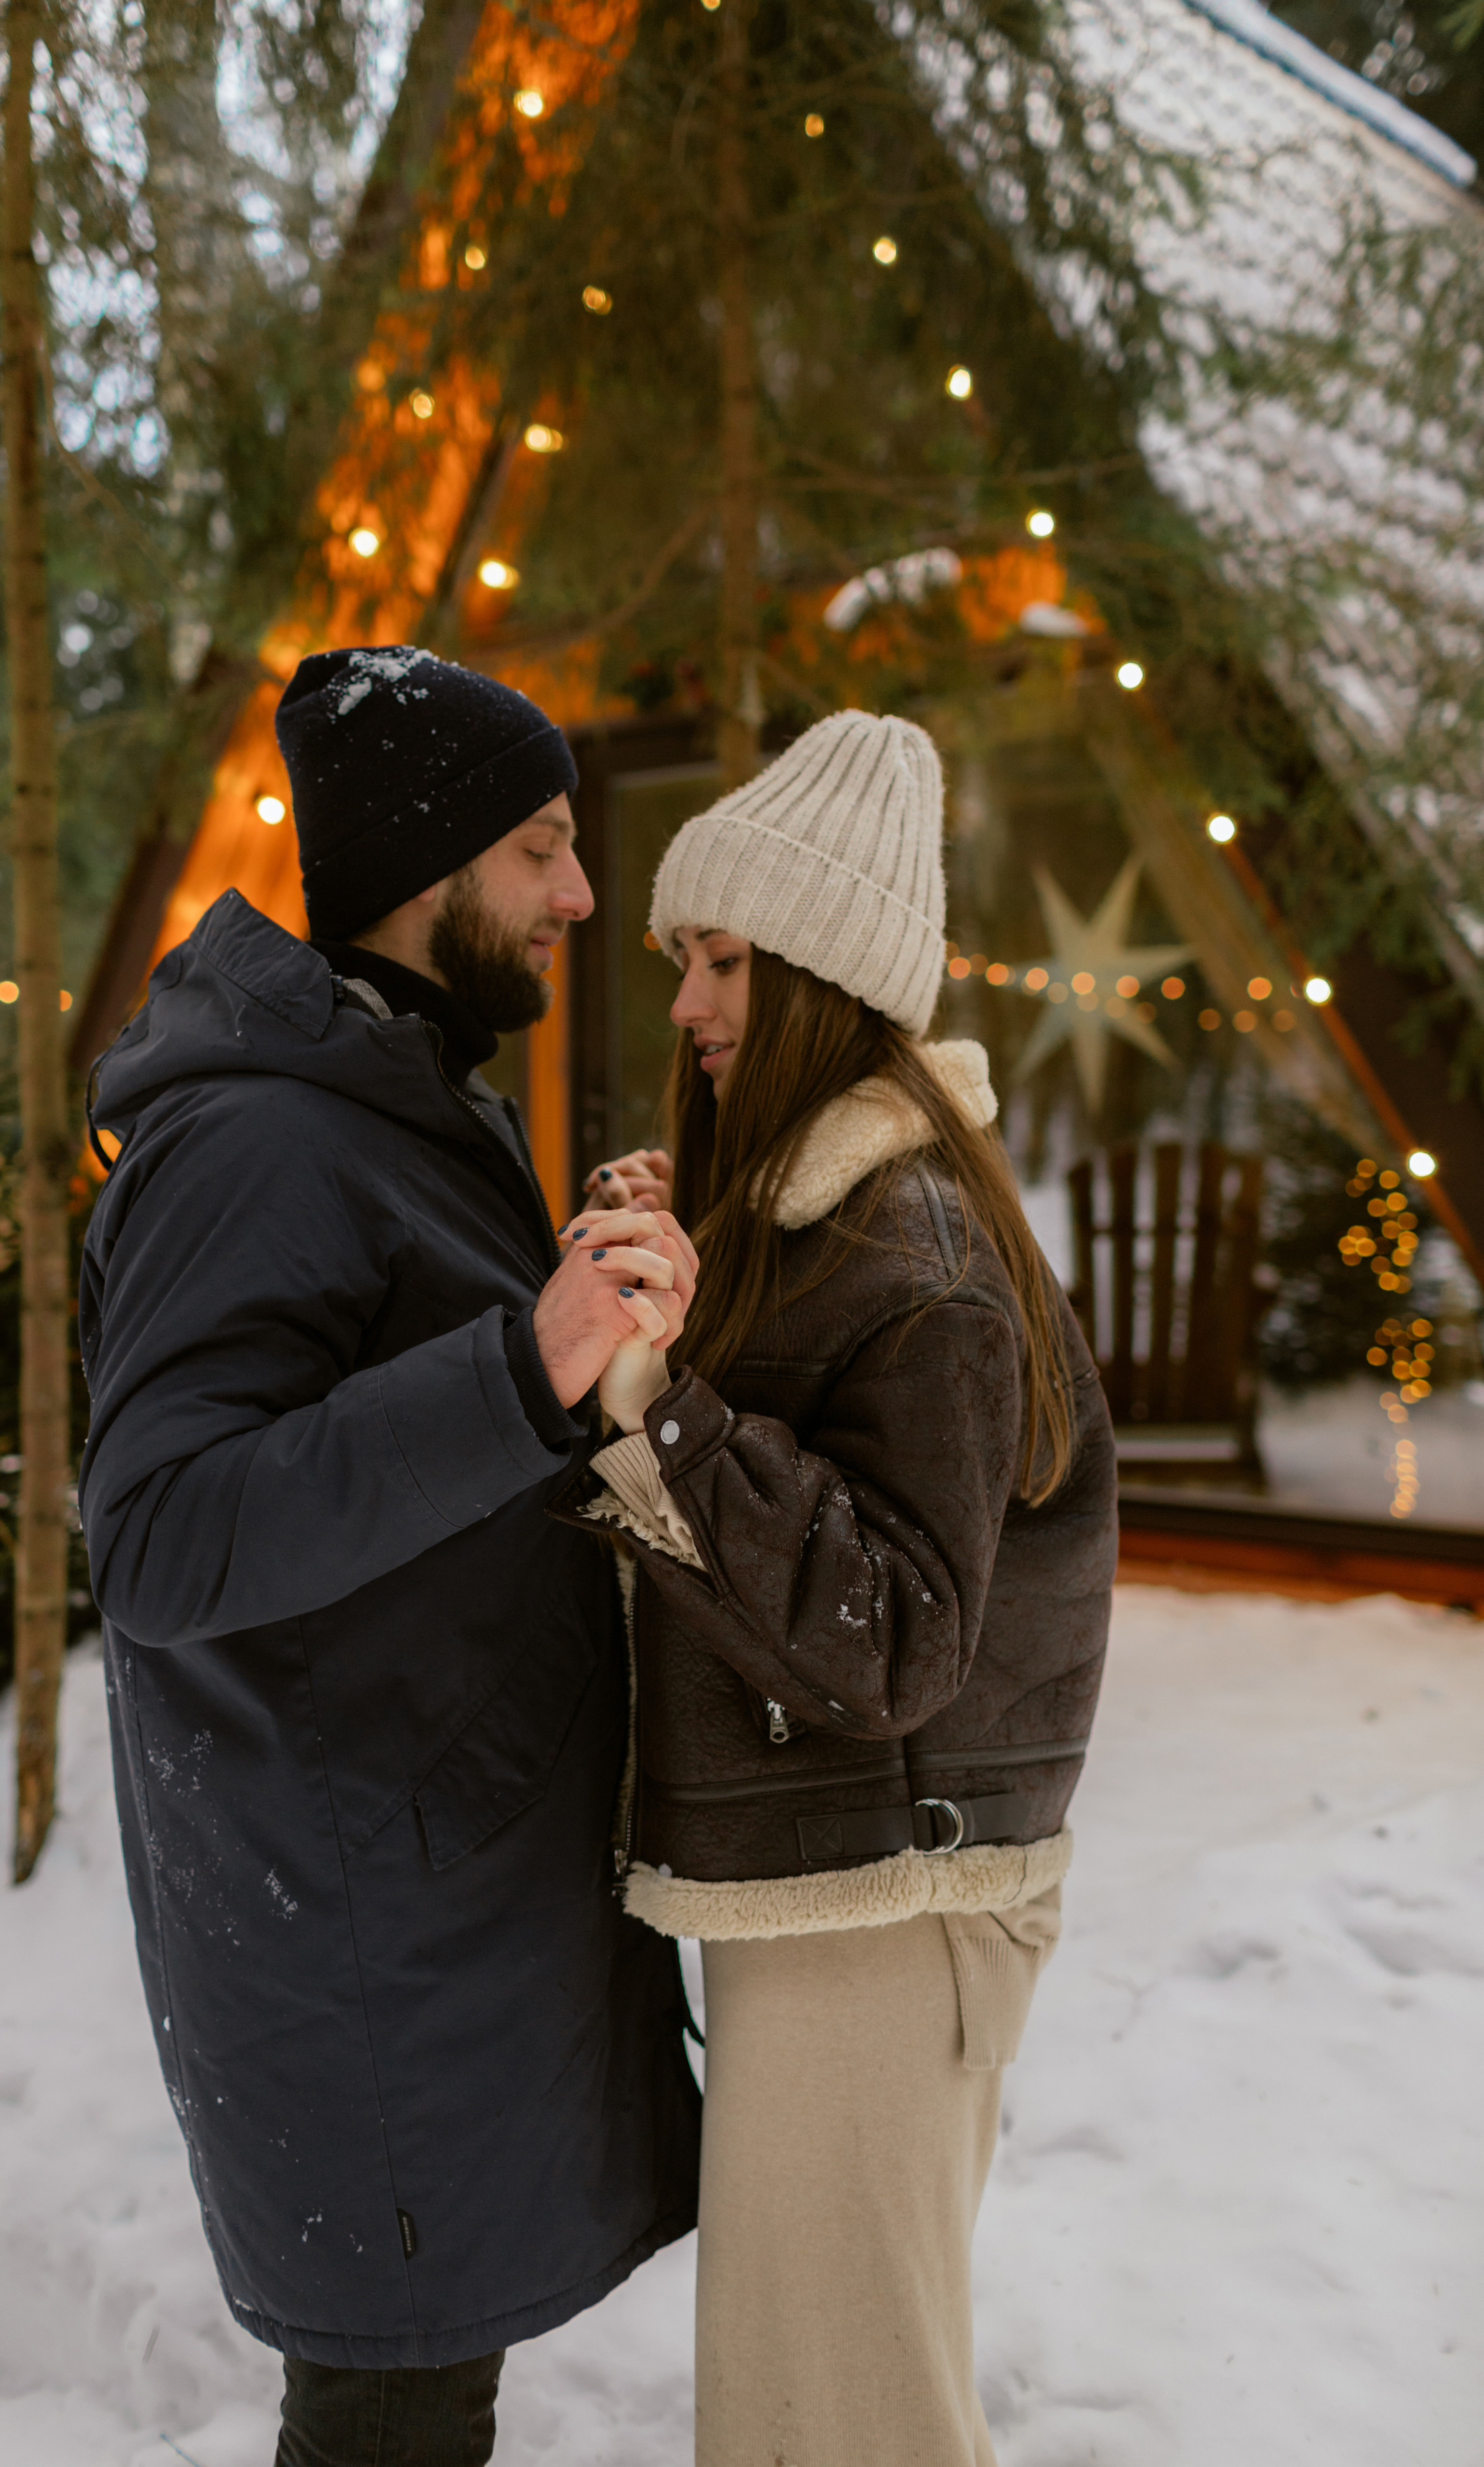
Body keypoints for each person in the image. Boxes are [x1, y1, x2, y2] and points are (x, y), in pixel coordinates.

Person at [78, 647, 703, 2467]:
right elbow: (164, 1538)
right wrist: (523, 1362)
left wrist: (576, 1346)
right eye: (541, 849)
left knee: (422, 2405)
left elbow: (411, 1448)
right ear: (431, 873)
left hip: (427, 1905)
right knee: (388, 2420)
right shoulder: (256, 1138)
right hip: (357, 1937)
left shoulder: (396, 1093)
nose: (582, 896)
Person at [560, 708, 1119, 2467]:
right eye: (682, 961)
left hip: (893, 1899)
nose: (693, 1003)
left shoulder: (922, 1251)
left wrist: (672, 1402)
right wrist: (691, 1293)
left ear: (820, 971)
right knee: (803, 2408)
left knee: (850, 2417)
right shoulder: (834, 1225)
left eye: (724, 959)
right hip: (840, 1888)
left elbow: (899, 1632)